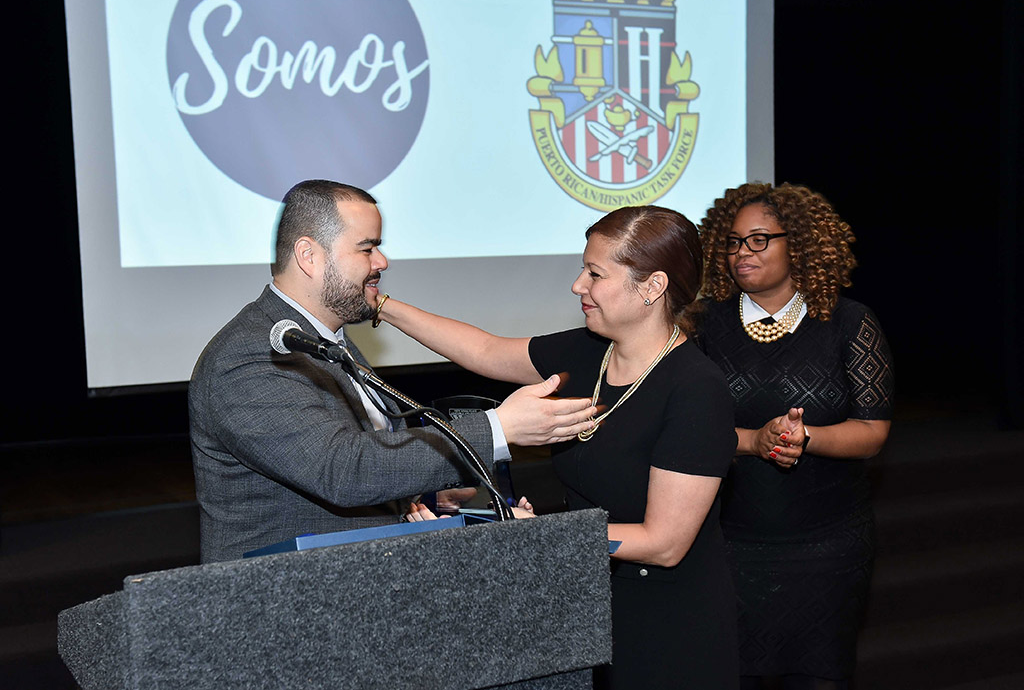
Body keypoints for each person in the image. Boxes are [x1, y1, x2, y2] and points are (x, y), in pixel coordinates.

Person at [387, 206, 739, 689]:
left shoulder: (696, 388)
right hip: (586, 603)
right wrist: (382, 306)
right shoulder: (591, 351)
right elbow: (485, 350)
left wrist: (549, 536)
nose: (578, 286)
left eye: (595, 274)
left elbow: (665, 544)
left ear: (653, 286)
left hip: (667, 626)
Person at [188, 180, 597, 563]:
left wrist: (435, 497)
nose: (381, 262)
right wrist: (499, 428)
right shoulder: (249, 356)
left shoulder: (326, 341)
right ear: (309, 256)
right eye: (367, 248)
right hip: (281, 600)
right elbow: (343, 472)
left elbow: (370, 459)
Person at [696, 183, 895, 690]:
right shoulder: (702, 326)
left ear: (799, 245)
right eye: (734, 242)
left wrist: (805, 438)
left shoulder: (849, 322)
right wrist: (753, 439)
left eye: (759, 239)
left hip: (828, 548)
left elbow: (873, 431)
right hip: (729, 545)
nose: (742, 252)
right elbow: (685, 427)